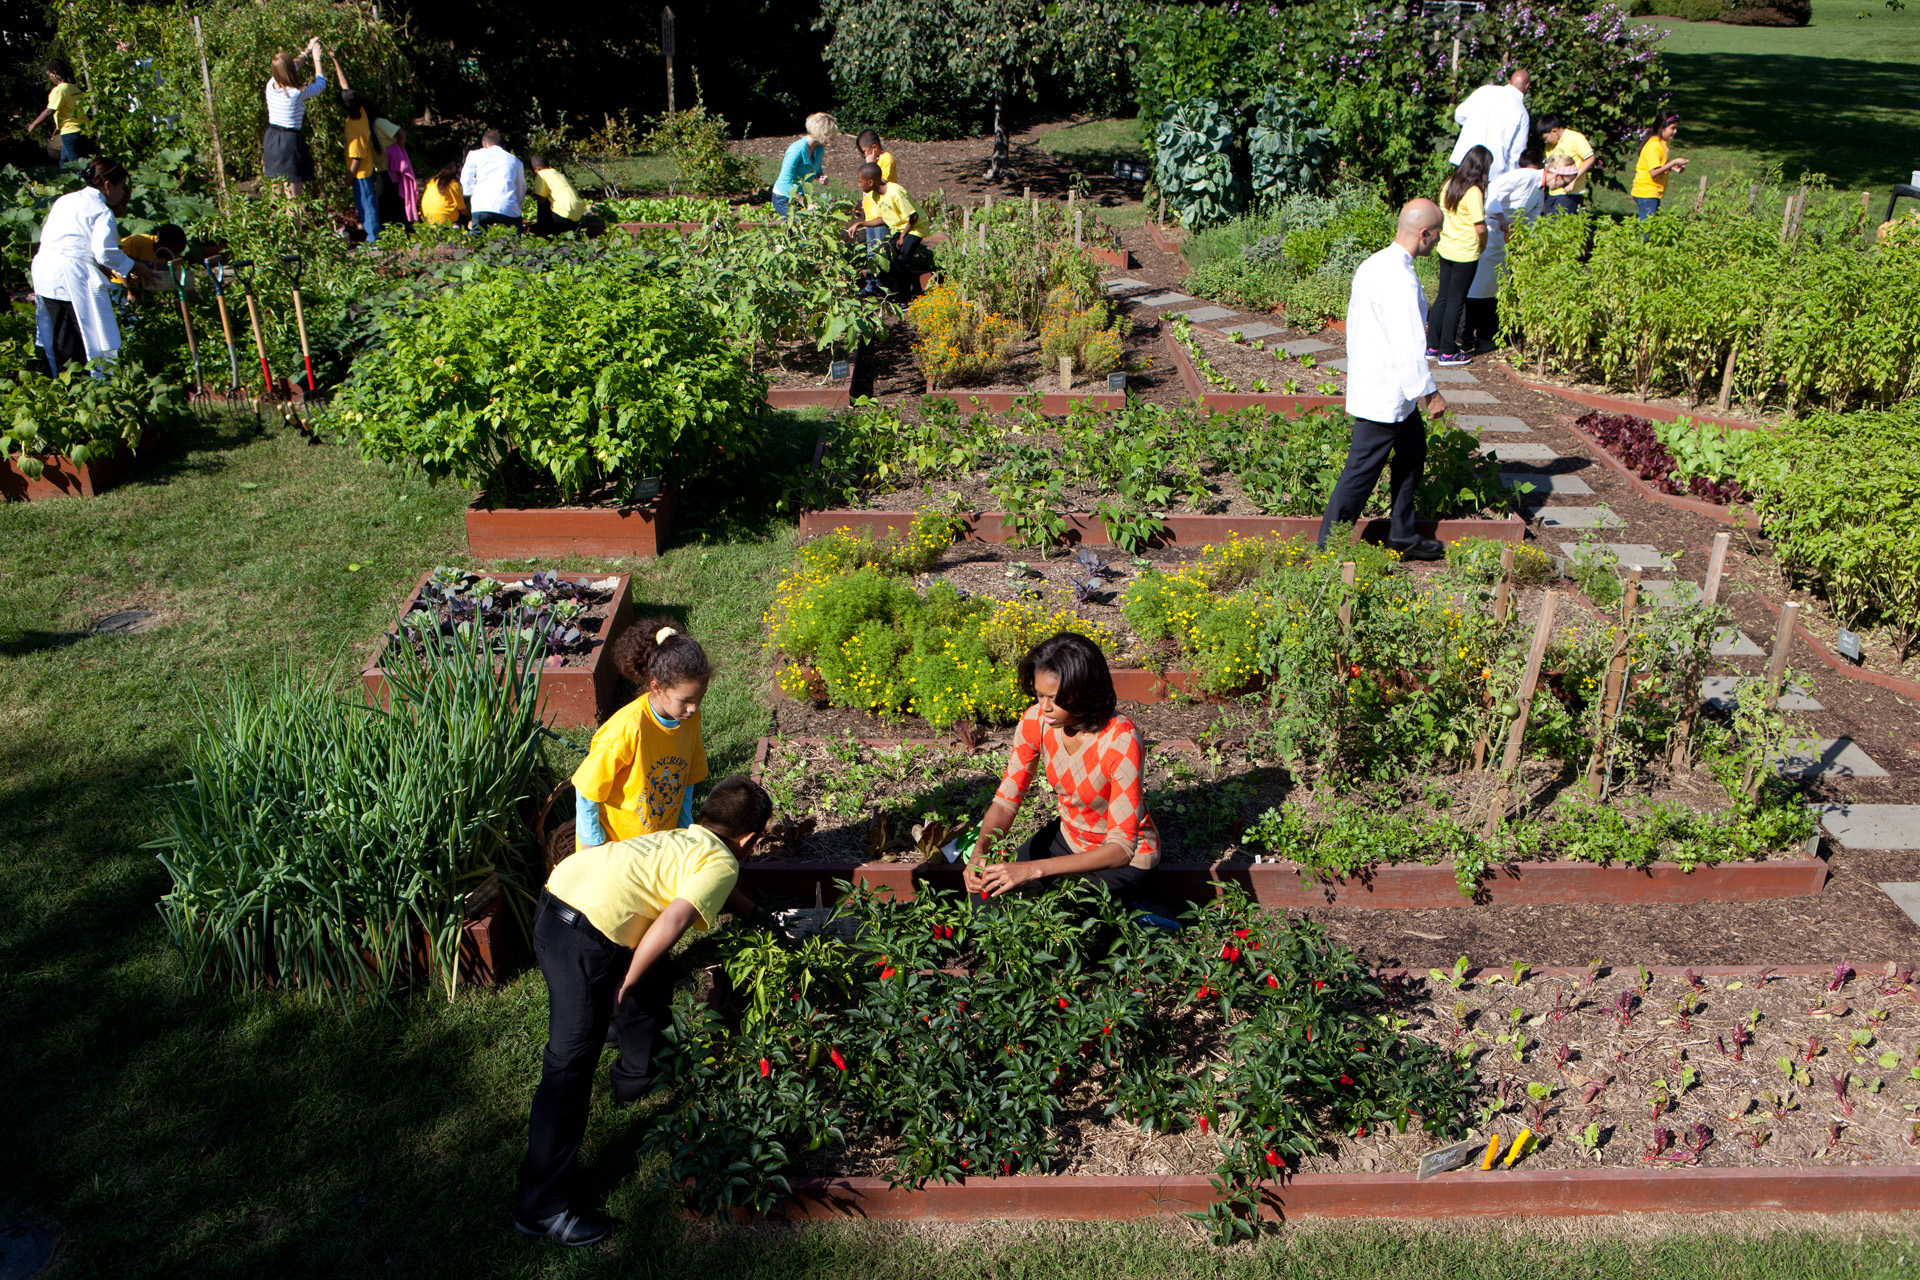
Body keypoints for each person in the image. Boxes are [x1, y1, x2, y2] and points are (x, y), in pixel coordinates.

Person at [514, 775, 769, 1247]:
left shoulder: (686, 836)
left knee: (653, 984)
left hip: (557, 897)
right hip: (585, 939)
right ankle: (542, 1208)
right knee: (567, 1069)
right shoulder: (722, 864)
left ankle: (633, 1077)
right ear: (750, 840)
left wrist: (756, 914)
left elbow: (707, 883)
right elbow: (673, 919)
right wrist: (625, 983)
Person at [964, 633, 1160, 905]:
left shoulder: (1120, 740)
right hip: (1068, 838)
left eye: (1055, 698)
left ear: (1084, 692)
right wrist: (980, 851)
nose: (1044, 707)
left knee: (1055, 924)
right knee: (985, 899)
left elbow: (1121, 849)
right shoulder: (1035, 722)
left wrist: (1033, 869)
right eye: (1039, 694)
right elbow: (1007, 800)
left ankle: (1145, 919)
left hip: (1120, 863)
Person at [1316, 200, 1450, 561]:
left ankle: (1402, 536)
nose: (1437, 242)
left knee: (1412, 453)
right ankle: (1328, 551)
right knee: (1360, 473)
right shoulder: (1399, 278)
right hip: (1387, 393)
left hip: (1384, 385)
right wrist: (1431, 394)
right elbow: (1409, 345)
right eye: (1436, 236)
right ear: (1423, 234)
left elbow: (1357, 327)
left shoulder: (1375, 264)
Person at [570, 622, 709, 851]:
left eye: (699, 698)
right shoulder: (626, 728)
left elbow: (686, 780)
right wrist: (592, 846)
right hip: (616, 848)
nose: (693, 708)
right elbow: (586, 790)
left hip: (658, 845)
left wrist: (684, 827)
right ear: (657, 687)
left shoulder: (689, 720)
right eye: (685, 700)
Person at [31, 158, 159, 374]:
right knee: (81, 335)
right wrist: (136, 267)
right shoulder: (102, 210)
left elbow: (70, 239)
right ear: (108, 185)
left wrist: (98, 265)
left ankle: (57, 382)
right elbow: (104, 252)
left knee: (56, 333)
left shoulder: (66, 199)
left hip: (45, 268)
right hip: (70, 274)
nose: (122, 192)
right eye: (121, 186)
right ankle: (84, 385)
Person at [1463, 147, 1545, 352]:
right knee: (1479, 283)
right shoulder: (1526, 175)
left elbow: (1533, 216)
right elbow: (1494, 192)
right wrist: (1501, 217)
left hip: (1505, 235)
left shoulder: (1541, 187)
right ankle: (1465, 331)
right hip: (1492, 227)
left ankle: (1489, 330)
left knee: (1497, 283)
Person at [1428, 144, 1489, 368]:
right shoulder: (1473, 192)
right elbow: (1480, 227)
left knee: (1443, 297)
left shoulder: (1448, 184)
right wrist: (1484, 244)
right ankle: (1448, 351)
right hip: (1465, 252)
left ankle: (1432, 345)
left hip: (1446, 247)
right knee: (1456, 301)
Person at [845, 161, 922, 301]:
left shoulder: (894, 192)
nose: (858, 185)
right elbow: (881, 219)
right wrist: (860, 224)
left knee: (901, 261)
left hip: (915, 227)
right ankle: (895, 290)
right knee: (882, 257)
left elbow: (914, 216)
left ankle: (904, 298)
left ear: (870, 182)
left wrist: (902, 237)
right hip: (900, 228)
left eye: (860, 181)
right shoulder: (875, 195)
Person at [263, 37, 326, 199]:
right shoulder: (297, 92)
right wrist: (316, 58)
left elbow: (292, 67)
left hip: (271, 139)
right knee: (293, 197)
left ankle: (276, 223)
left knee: (276, 194)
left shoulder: (271, 85)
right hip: (289, 141)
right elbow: (320, 85)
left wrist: (307, 49)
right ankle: (296, 223)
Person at [331, 58, 380, 245]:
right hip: (362, 169)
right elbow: (345, 86)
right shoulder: (361, 110)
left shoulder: (354, 127)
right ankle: (371, 234)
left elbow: (357, 155)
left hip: (361, 171)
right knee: (364, 203)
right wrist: (336, 59)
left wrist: (349, 175)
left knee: (366, 204)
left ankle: (373, 236)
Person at [1449, 68, 1529, 181]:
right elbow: (1516, 153)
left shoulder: (1484, 90)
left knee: (1458, 196)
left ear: (1509, 82)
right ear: (1527, 86)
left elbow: (1459, 115)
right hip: (1492, 170)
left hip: (1464, 158)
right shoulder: (1522, 112)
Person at [772, 112, 837, 217]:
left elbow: (816, 168)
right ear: (822, 134)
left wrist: (820, 176)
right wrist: (806, 204)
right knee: (802, 228)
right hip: (783, 197)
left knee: (800, 230)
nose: (830, 140)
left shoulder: (819, 147)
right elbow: (785, 183)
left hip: (800, 196)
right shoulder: (796, 151)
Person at [461, 129, 527, 232]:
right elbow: (520, 187)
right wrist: (517, 205)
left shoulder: (474, 155)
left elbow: (466, 178)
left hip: (481, 205)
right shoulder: (515, 160)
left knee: (477, 239)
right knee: (515, 239)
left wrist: (472, 195)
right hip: (507, 206)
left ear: (484, 144)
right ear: (504, 146)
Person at [29, 60, 90, 166]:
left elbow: (49, 111)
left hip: (70, 132)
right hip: (84, 129)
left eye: (48, 74)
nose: (49, 77)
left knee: (76, 165)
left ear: (54, 73)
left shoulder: (59, 90)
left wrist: (33, 125)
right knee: (64, 162)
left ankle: (84, 182)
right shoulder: (74, 88)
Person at [1632, 112, 1688, 220]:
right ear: (1662, 127)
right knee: (1647, 230)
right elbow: (1653, 172)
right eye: (1673, 128)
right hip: (1646, 192)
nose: (1675, 131)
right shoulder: (1654, 146)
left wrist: (1672, 167)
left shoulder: (1661, 143)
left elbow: (1658, 165)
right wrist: (1673, 162)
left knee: (1652, 227)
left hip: (1652, 192)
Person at [1540, 116, 1596, 217]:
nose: (1545, 142)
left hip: (1570, 191)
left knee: (1559, 223)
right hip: (1554, 191)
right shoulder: (1549, 146)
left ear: (1555, 131)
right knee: (1547, 222)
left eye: (1546, 138)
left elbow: (1590, 158)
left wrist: (1573, 180)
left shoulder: (1575, 138)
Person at [529, 154, 586, 236]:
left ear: (537, 168)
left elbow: (541, 201)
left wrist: (540, 224)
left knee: (535, 231)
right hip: (576, 217)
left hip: (562, 217)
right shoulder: (557, 173)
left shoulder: (542, 174)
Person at [419, 160, 466, 227]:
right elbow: (462, 209)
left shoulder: (432, 180)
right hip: (445, 221)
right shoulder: (453, 183)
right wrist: (470, 216)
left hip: (427, 219)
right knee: (462, 218)